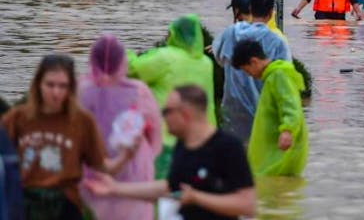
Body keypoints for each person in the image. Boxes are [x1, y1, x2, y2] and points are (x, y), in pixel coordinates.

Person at [84, 85, 256, 220]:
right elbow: (169, 187)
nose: (163, 118)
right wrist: (116, 189)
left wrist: (198, 198)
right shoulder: (183, 144)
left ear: (185, 114)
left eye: (166, 112)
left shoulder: (228, 147)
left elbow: (247, 205)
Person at [2, 55, 137, 220]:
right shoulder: (17, 118)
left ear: (71, 88)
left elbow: (102, 165)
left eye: (62, 86)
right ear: (38, 85)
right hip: (25, 202)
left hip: (65, 203)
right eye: (50, 85)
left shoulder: (82, 121)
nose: (56, 92)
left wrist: (125, 155)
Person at [79, 36, 162, 220]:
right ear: (122, 61)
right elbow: (156, 132)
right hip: (134, 165)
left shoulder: (82, 89)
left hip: (92, 166)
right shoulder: (138, 90)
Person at [128, 15, 216, 177]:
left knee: (163, 189)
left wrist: (126, 54)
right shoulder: (206, 63)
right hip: (204, 139)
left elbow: (134, 70)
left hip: (167, 138)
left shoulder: (165, 57)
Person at [214, 0, 293, 142]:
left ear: (250, 8)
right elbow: (286, 80)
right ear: (271, 14)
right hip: (262, 113)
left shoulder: (231, 33)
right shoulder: (277, 41)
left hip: (232, 110)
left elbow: (219, 58)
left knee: (234, 158)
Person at [231, 41, 308, 177]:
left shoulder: (278, 76)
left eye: (246, 70)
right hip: (272, 150)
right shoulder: (272, 76)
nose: (248, 75)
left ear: (254, 62)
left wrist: (287, 130)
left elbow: (290, 105)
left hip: (279, 151)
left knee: (275, 191)